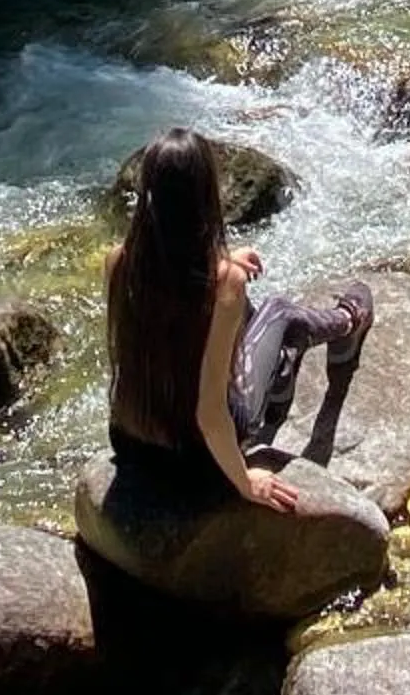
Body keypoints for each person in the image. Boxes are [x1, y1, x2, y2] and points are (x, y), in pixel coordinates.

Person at [105, 127, 372, 512]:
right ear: (204, 195)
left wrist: (223, 260)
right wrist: (244, 481)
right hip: (195, 457)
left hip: (130, 444)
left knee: (244, 313)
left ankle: (284, 374)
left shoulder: (118, 261)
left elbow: (166, 294)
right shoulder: (224, 284)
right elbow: (209, 411)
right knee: (280, 311)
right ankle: (349, 320)